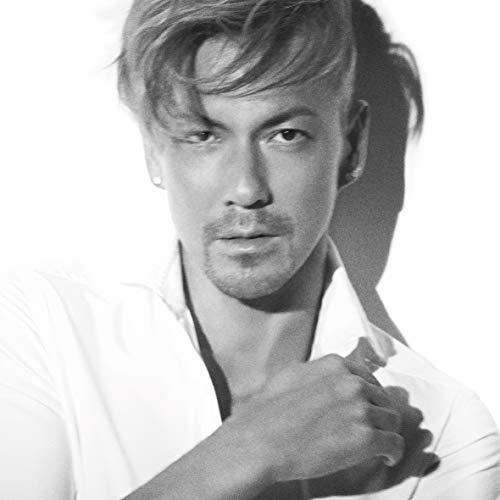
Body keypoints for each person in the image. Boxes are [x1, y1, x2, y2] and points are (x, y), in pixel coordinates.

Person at [0, 1, 499, 499]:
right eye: (203, 136)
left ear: (351, 144)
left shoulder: (445, 428)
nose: (246, 188)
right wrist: (252, 449)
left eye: (285, 135)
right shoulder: (42, 329)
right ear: (153, 148)